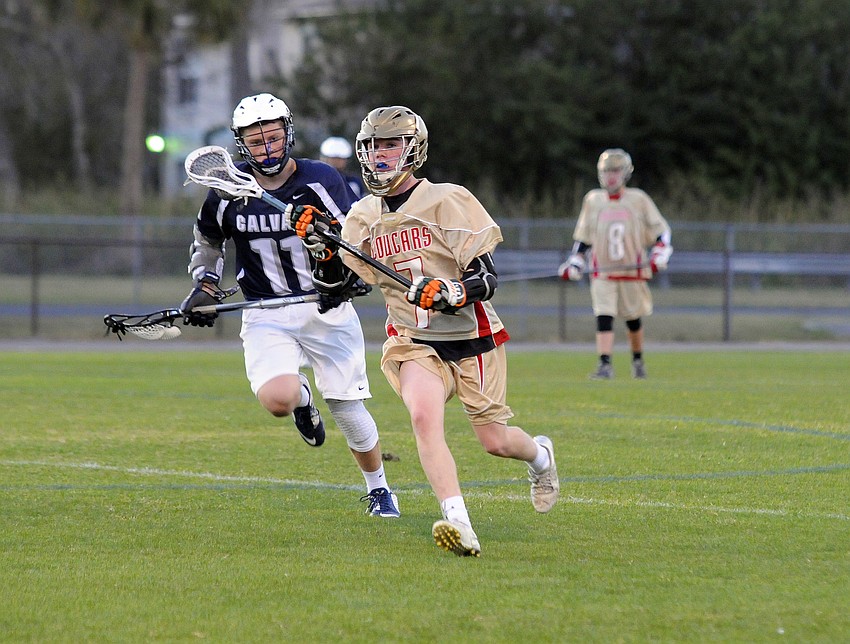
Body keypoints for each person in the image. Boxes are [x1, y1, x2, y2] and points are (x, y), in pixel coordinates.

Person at [289, 105, 559, 557]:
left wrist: (452, 290)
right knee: (423, 418)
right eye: (373, 145)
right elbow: (335, 290)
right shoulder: (360, 217)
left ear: (413, 149)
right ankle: (459, 521)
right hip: (413, 341)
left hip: (472, 339)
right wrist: (320, 247)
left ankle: (541, 458)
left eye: (390, 144)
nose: (379, 154)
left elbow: (488, 277)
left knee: (495, 441)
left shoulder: (448, 199)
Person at [179, 92, 399, 518]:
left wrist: (345, 274)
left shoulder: (321, 179)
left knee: (348, 407)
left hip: (325, 306)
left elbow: (355, 235)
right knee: (277, 399)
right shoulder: (228, 188)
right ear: (242, 144)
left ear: (288, 134)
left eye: (273, 138)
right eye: (256, 141)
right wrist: (205, 284)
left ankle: (379, 490)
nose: (267, 148)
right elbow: (208, 240)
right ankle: (302, 402)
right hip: (266, 311)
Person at [558, 148, 672, 380]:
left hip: (632, 270)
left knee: (633, 317)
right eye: (607, 171)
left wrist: (660, 253)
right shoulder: (593, 200)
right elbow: (584, 236)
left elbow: (662, 232)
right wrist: (576, 261)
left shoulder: (638, 199)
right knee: (604, 315)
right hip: (603, 271)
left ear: (625, 173)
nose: (611, 176)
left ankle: (638, 360)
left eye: (616, 171)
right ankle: (605, 364)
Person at [320, 136, 366, 200]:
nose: (337, 162)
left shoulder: (353, 182)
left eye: (340, 159)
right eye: (334, 158)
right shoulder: (318, 181)